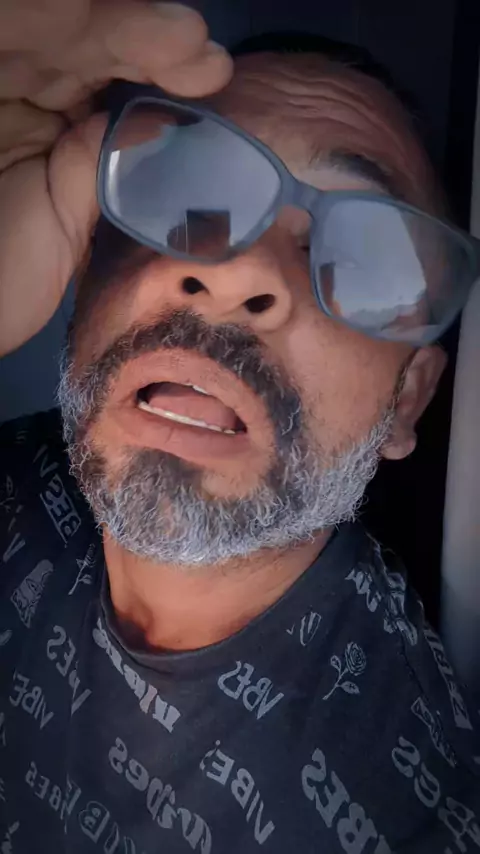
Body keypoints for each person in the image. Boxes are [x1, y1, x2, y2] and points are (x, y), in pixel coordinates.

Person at [0, 2, 479, 852]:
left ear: (407, 400)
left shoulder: (398, 809)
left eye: (365, 257)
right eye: (189, 197)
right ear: (84, 262)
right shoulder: (21, 475)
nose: (238, 273)